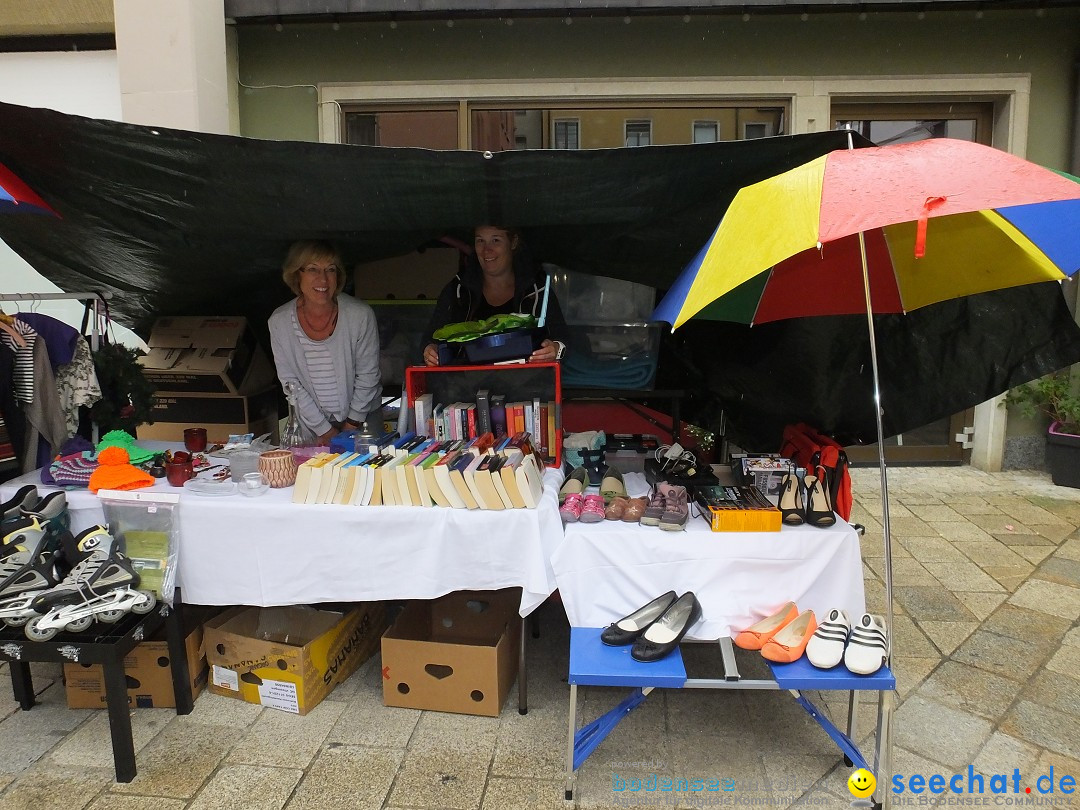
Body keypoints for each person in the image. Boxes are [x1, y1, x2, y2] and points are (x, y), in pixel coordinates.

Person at [269, 240, 382, 445]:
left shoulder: (360, 315)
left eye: (330, 270)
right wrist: (325, 430)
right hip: (311, 426)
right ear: (297, 274)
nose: (323, 279)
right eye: (313, 269)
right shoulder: (279, 322)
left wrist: (350, 426)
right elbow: (290, 383)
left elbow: (368, 374)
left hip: (362, 419)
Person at [421, 225, 567, 366]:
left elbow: (561, 337)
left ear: (513, 242)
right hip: (465, 386)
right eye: (480, 241)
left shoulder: (537, 290)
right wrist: (430, 351)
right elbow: (430, 339)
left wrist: (554, 349)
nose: (486, 250)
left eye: (495, 240)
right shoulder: (458, 290)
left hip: (526, 386)